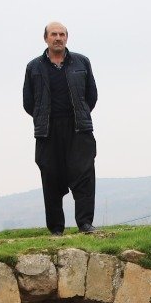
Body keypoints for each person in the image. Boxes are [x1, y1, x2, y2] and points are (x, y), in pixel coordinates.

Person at [23, 21, 99, 234]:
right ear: (45, 38)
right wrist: (43, 117)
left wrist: (80, 114)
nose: (58, 38)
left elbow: (91, 96)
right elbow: (29, 102)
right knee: (50, 175)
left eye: (62, 34)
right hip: (48, 130)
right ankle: (56, 228)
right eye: (54, 34)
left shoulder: (82, 62)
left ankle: (85, 223)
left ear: (67, 37)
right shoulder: (34, 67)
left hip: (79, 128)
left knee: (84, 174)